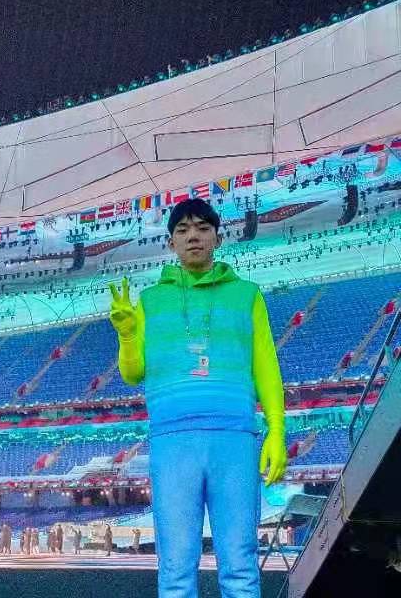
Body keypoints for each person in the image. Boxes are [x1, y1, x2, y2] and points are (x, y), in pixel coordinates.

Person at [109, 198, 288, 597]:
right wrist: (127, 334)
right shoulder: (150, 300)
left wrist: (277, 430)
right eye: (183, 230)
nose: (193, 236)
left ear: (218, 239)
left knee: (240, 564)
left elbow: (266, 366)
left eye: (203, 228)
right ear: (171, 242)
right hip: (172, 441)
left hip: (234, 438)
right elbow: (132, 373)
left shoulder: (247, 295)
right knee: (175, 566)